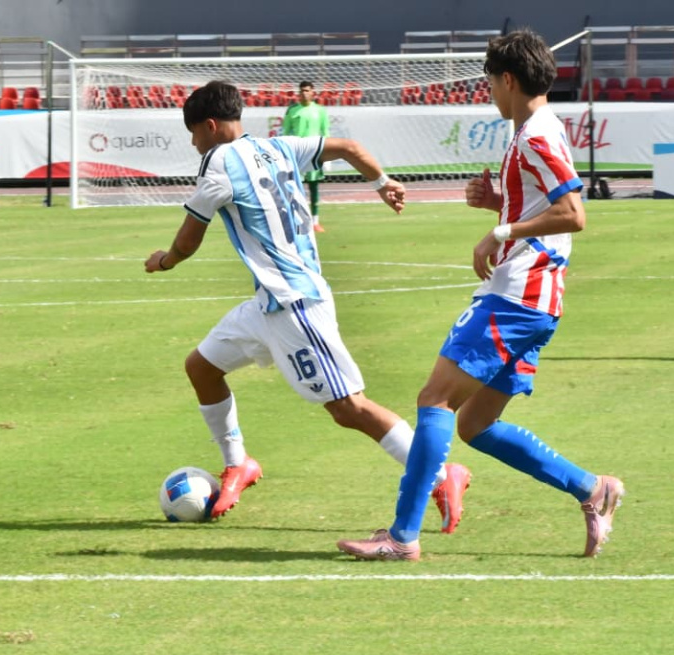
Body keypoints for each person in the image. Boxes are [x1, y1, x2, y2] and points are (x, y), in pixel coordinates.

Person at [337, 30, 624, 562]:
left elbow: (573, 214)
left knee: (434, 400)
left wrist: (501, 231)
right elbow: (547, 206)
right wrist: (500, 203)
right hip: (537, 300)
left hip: (518, 295)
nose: (489, 91)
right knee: (474, 424)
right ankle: (592, 489)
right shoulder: (536, 130)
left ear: (508, 79)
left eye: (491, 81)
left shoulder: (536, 135)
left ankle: (402, 537)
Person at [144, 80, 472, 528]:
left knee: (348, 408)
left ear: (210, 125)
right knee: (201, 367)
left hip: (296, 304)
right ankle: (239, 462)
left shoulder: (217, 165)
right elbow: (350, 147)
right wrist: (382, 182)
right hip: (268, 304)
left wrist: (164, 261)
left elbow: (188, 238)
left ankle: (437, 473)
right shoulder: (279, 147)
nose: (193, 142)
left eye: (194, 133)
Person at [281, 80, 329, 233]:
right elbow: (286, 132)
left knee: (314, 187)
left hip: (314, 153)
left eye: (307, 90)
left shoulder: (320, 111)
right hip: (297, 154)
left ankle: (315, 221)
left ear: (312, 92)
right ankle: (297, 220)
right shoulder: (292, 110)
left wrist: (326, 157)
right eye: (302, 91)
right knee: (295, 189)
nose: (304, 93)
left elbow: (325, 132)